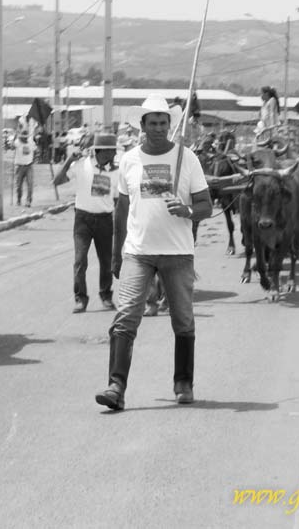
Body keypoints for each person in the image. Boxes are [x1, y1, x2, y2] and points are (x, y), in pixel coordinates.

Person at [95, 95, 212, 410]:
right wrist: (117, 254)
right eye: (153, 123)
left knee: (183, 320)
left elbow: (206, 206)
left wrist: (186, 209)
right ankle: (116, 387)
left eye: (163, 122)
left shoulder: (187, 159)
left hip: (177, 254)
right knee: (125, 318)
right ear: (142, 126)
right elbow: (121, 209)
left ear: (170, 125)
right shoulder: (130, 160)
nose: (159, 128)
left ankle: (183, 383)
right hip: (138, 252)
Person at [53, 133, 119, 313]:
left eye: (114, 151)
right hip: (83, 220)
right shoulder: (81, 166)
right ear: (99, 151)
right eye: (110, 151)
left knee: (106, 262)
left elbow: (119, 198)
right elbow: (56, 181)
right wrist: (68, 160)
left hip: (105, 219)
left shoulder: (116, 171)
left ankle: (106, 296)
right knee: (80, 261)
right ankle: (80, 298)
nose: (113, 154)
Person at [13, 128, 36, 207]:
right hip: (19, 166)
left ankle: (28, 201)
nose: (25, 138)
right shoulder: (17, 142)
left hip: (29, 165)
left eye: (26, 137)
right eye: (23, 137)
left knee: (30, 184)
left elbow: (35, 149)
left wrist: (33, 159)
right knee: (18, 185)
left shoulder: (31, 142)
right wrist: (15, 136)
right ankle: (19, 199)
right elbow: (13, 145)